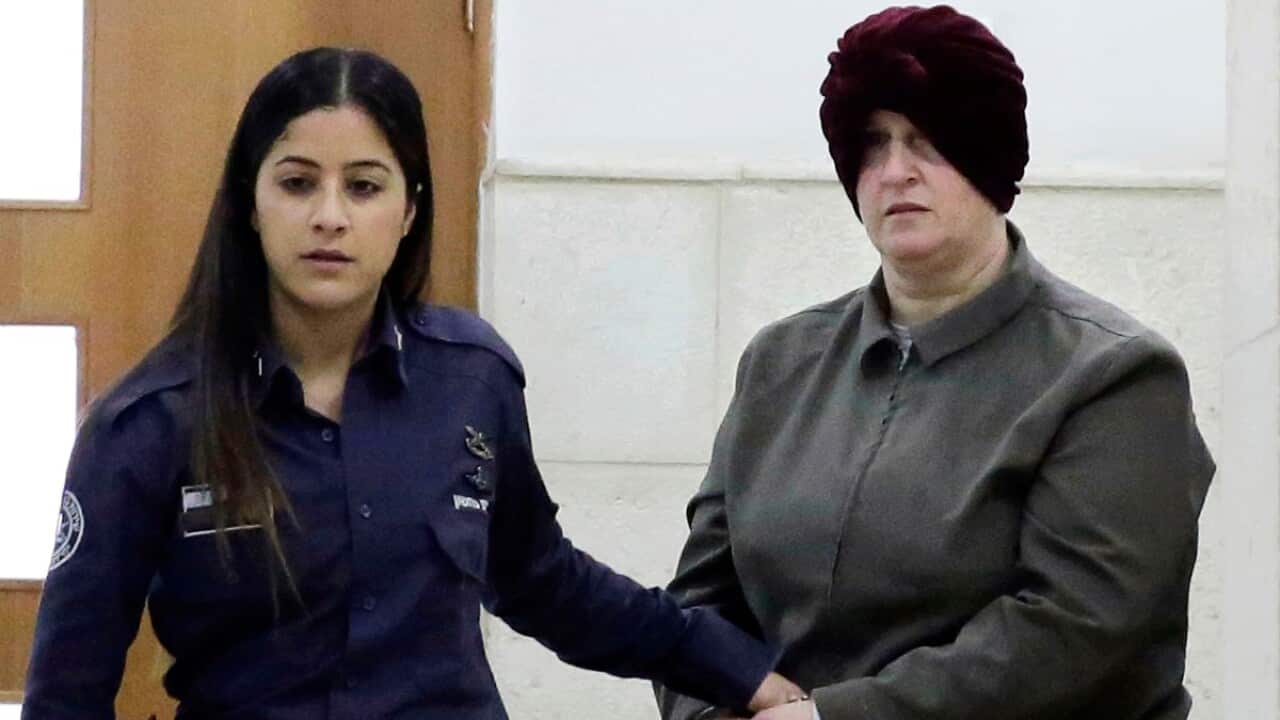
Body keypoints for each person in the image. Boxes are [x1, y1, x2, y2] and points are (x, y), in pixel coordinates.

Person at [22, 47, 804, 719]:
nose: (330, 216)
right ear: (250, 207)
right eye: (297, 184)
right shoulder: (148, 421)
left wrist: (735, 669)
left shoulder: (471, 378)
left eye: (364, 187)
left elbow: (545, 582)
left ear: (408, 211)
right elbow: (69, 686)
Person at [655, 6, 1215, 720]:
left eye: (927, 142)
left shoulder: (1114, 377)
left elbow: (1077, 632)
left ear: (989, 158)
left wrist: (831, 718)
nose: (895, 172)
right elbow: (702, 602)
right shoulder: (781, 363)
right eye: (873, 144)